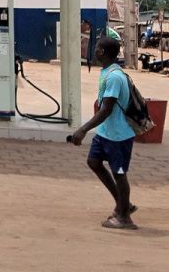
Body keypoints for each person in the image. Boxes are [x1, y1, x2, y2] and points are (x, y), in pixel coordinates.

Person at [71, 37, 138, 230]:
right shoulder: (108, 72)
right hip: (106, 133)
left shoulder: (114, 77)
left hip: (118, 136)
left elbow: (106, 109)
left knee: (119, 173)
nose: (94, 51)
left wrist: (83, 129)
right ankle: (124, 204)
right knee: (94, 161)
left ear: (101, 51)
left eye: (97, 48)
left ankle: (125, 217)